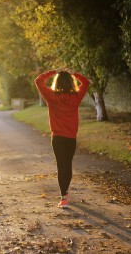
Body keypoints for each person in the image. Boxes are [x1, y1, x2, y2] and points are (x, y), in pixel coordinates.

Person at [34, 67, 90, 208]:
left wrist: (54, 71)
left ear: (56, 82)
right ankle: (65, 192)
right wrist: (74, 73)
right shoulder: (76, 97)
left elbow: (39, 80)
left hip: (58, 138)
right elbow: (86, 82)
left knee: (61, 166)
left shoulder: (51, 96)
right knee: (68, 164)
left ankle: (64, 197)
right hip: (71, 138)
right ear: (71, 83)